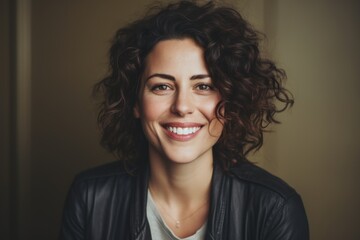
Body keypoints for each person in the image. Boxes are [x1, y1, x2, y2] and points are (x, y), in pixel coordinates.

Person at [59, 1, 309, 239]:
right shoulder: (89, 198)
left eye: (203, 86)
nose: (182, 106)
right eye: (162, 87)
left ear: (232, 102)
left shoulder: (276, 208)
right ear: (135, 102)